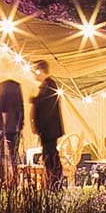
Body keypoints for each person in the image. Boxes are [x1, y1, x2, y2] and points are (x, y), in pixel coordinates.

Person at [29, 59, 66, 189]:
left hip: (49, 130)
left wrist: (35, 101)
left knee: (51, 155)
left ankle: (54, 181)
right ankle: (52, 181)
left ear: (41, 71)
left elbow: (47, 107)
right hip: (48, 130)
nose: (34, 74)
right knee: (49, 154)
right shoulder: (46, 86)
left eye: (35, 71)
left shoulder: (49, 85)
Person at [0, 73, 27, 178]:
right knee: (13, 154)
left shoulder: (2, 88)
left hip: (6, 127)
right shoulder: (16, 87)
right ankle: (13, 176)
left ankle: (4, 177)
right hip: (13, 127)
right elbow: (21, 108)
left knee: (2, 154)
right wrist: (20, 124)